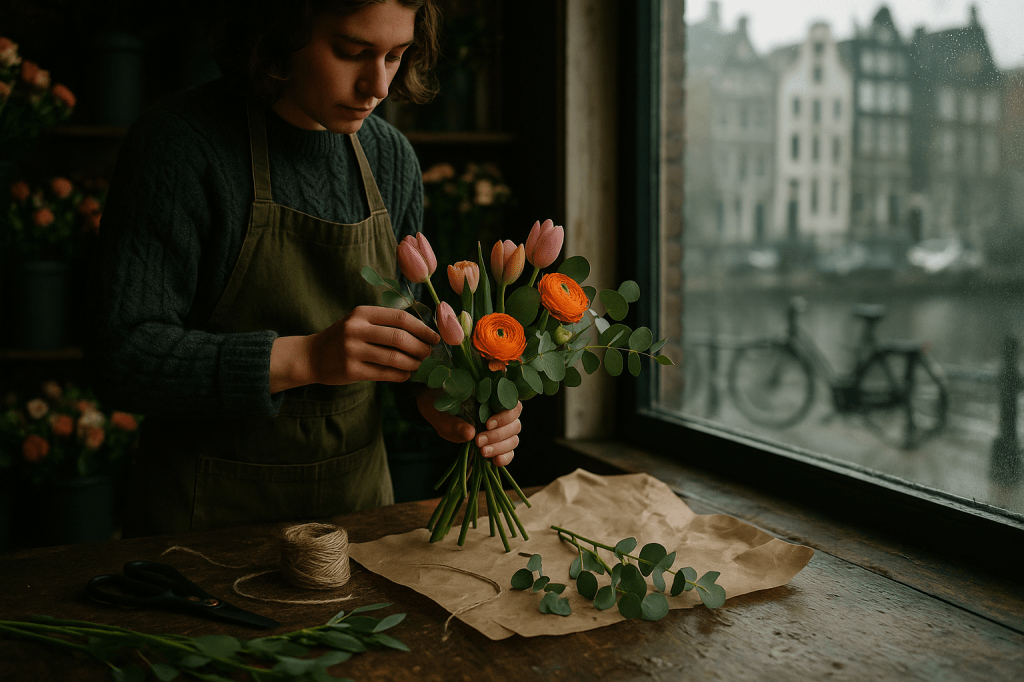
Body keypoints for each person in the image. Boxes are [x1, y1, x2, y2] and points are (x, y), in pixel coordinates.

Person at [86, 0, 523, 537]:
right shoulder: (180, 147)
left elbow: (409, 352)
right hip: (202, 528)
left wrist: (446, 403)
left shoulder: (392, 159)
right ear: (278, 33)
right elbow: (122, 357)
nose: (379, 85)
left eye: (395, 55)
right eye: (352, 52)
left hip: (356, 521)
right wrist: (308, 356)